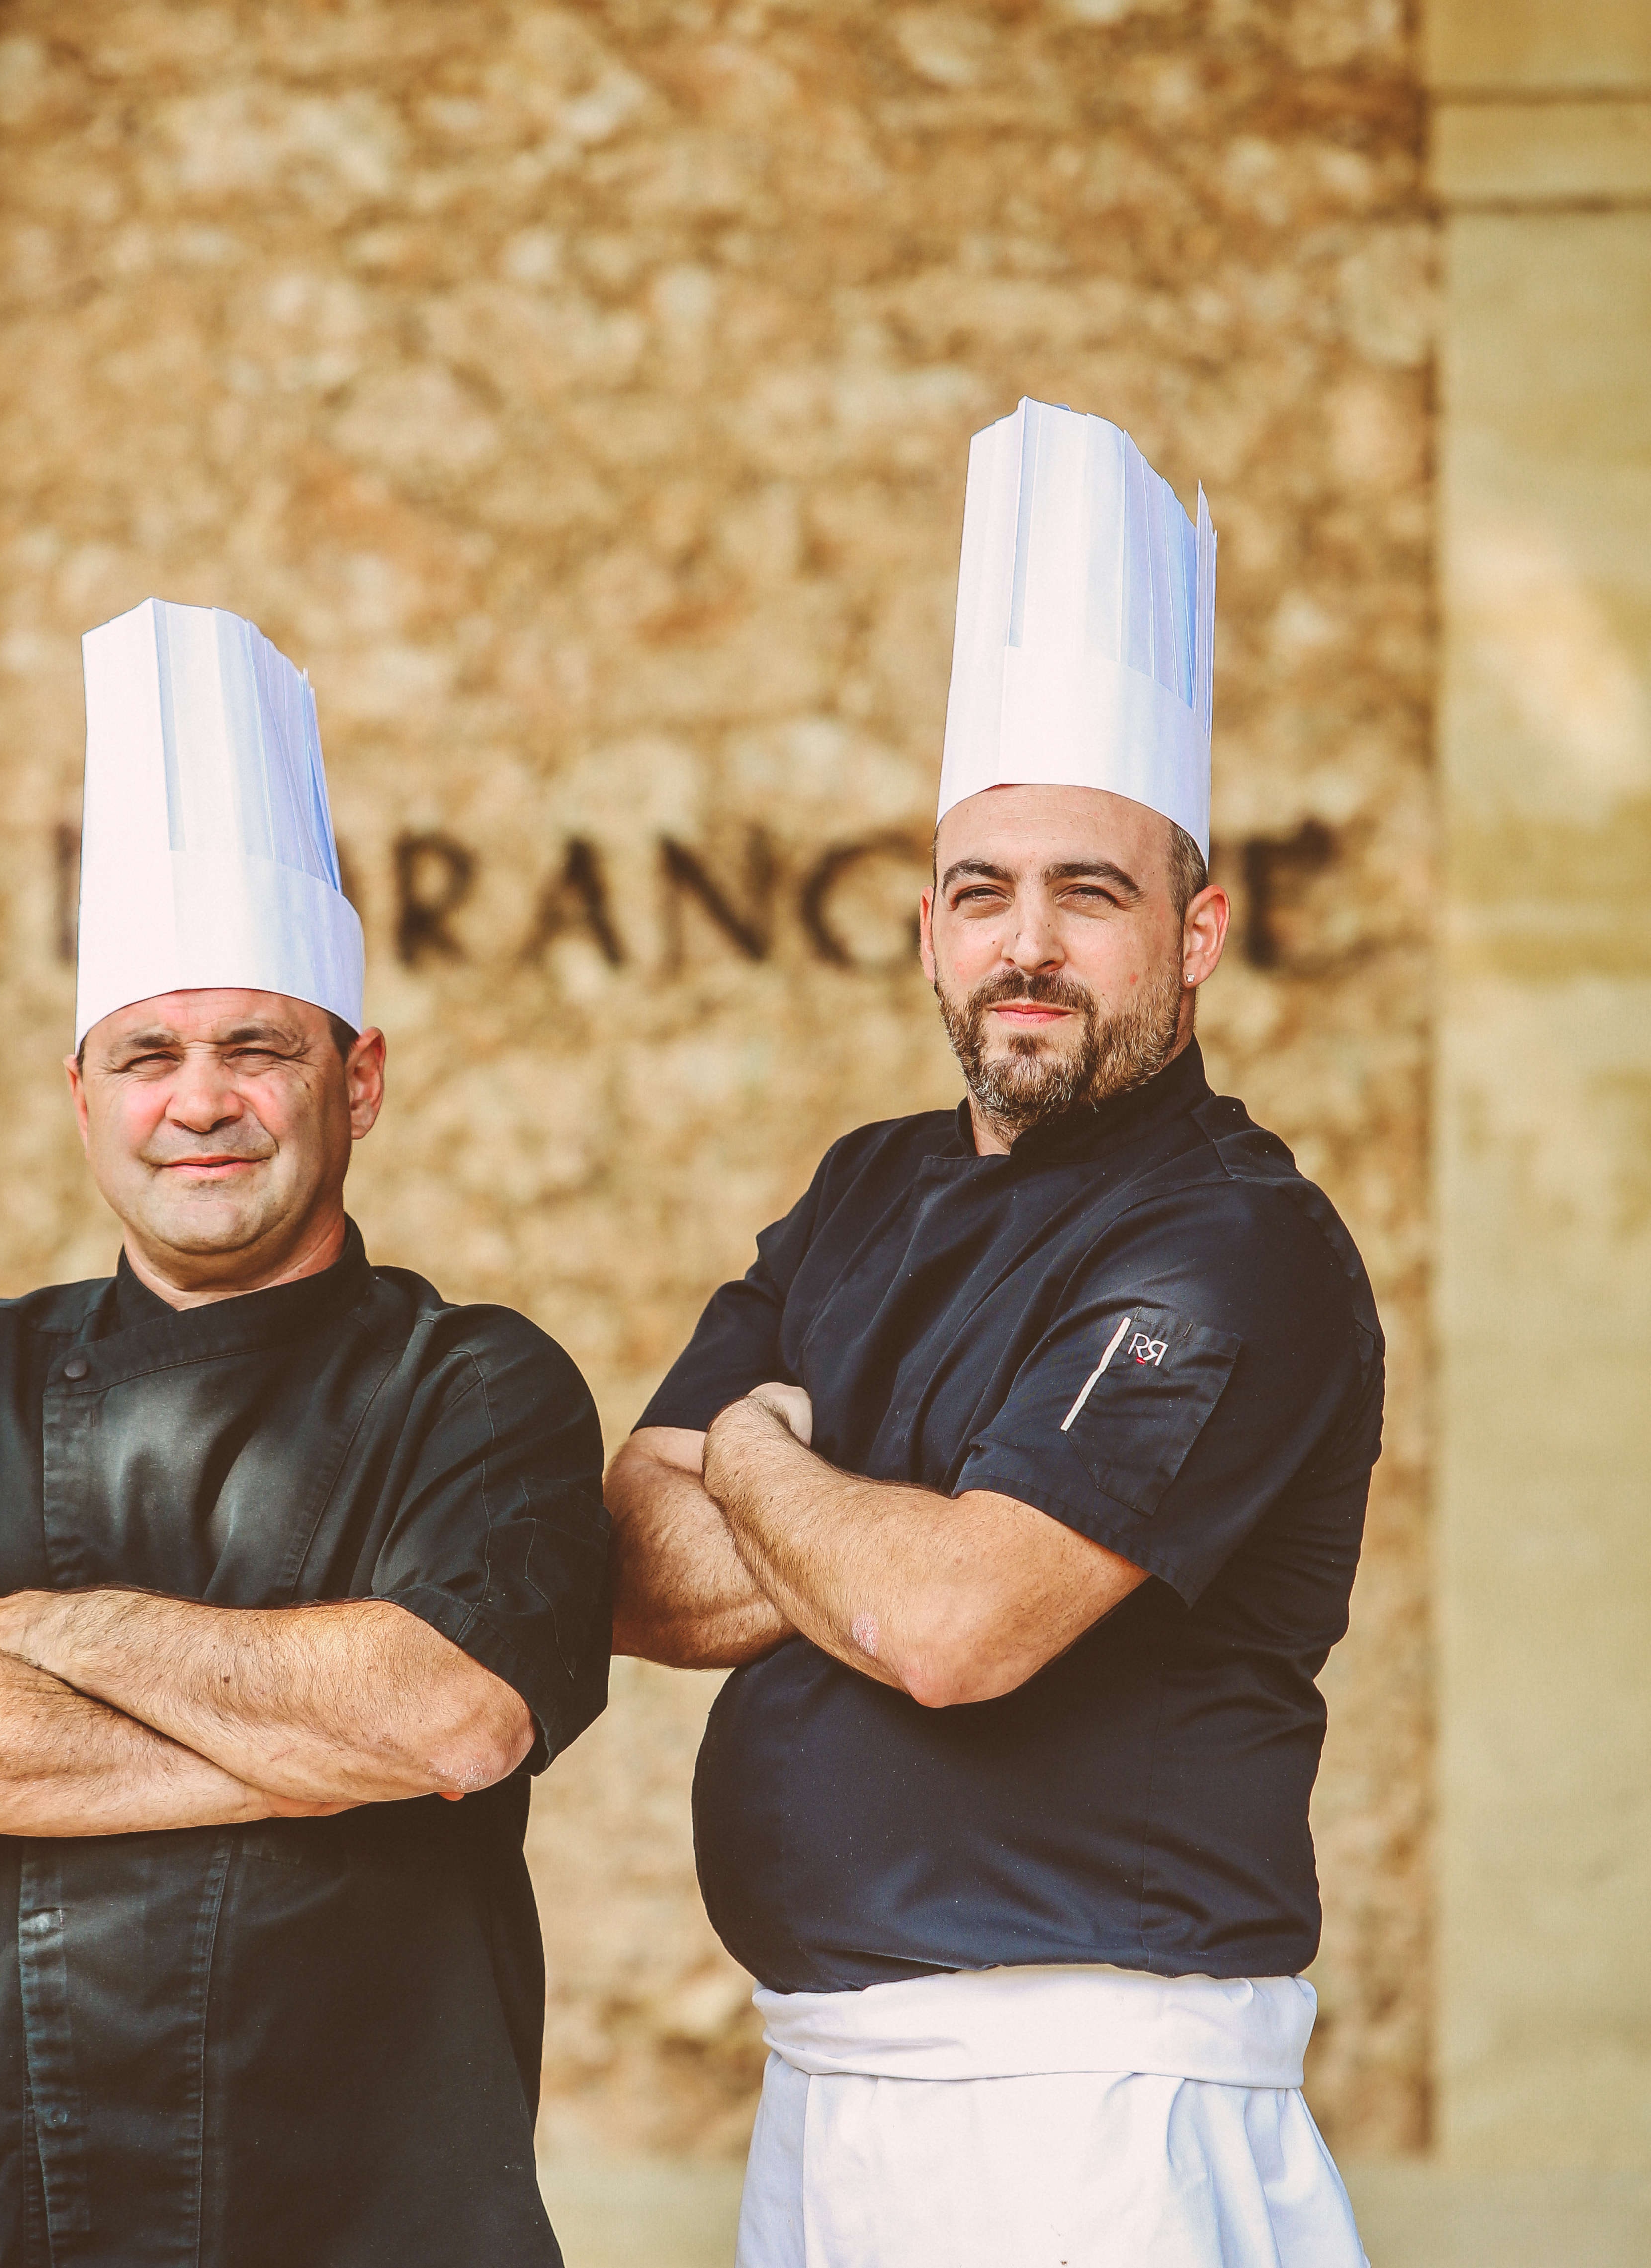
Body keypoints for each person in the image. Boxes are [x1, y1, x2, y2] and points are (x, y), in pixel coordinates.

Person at [609, 402, 1381, 2267]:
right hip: (825, 2093)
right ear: (930, 930)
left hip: (1090, 2114)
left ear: (1195, 934)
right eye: (980, 892)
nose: (1023, 942)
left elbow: (952, 1626)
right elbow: (632, 1565)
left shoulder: (1234, 1240)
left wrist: (772, 1451)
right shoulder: (865, 1186)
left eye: (1087, 893)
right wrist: (892, 1523)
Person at [0, 599, 611, 2268]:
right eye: (147, 1053)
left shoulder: (484, 1385)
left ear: (355, 1077)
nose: (201, 1097)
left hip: (377, 2211)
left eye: (256, 1048)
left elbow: (446, 1714)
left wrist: (54, 1632)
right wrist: (310, 1751)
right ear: (82, 1091)